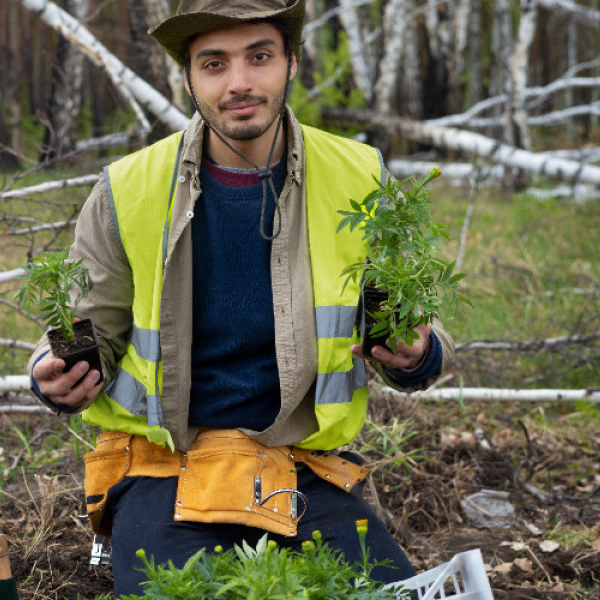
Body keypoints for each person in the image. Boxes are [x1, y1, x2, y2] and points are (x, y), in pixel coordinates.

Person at [25, 0, 455, 594]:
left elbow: (414, 327)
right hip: (163, 468)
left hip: (299, 465)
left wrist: (419, 353)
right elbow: (85, 325)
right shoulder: (127, 189)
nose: (239, 84)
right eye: (214, 63)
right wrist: (53, 376)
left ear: (292, 63)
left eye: (259, 57)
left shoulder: (360, 175)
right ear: (189, 79)